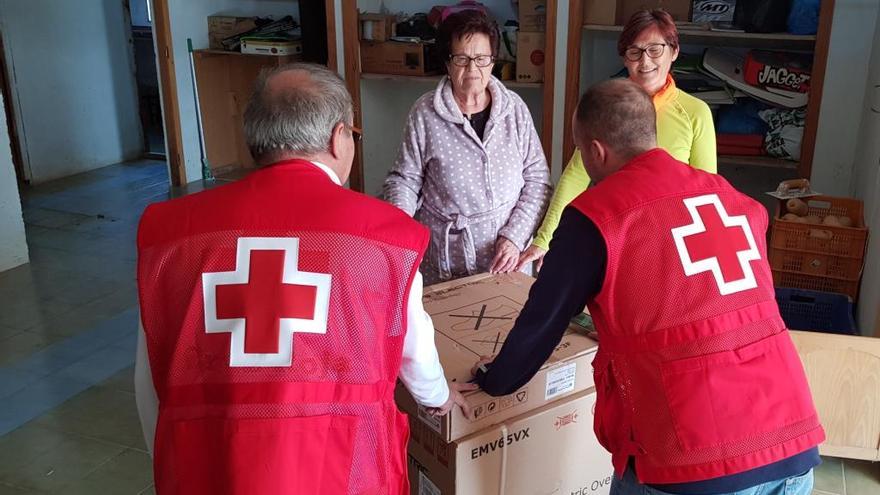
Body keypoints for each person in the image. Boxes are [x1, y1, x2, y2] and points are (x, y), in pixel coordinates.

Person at [134, 63, 474, 495]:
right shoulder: (384, 239)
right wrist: (439, 397)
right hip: (344, 465)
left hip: (212, 465)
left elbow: (151, 378)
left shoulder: (173, 234)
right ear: (338, 137)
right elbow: (415, 350)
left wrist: (171, 453)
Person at [472, 79, 824, 495]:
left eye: (581, 152)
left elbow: (542, 320)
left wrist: (494, 382)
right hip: (791, 438)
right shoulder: (733, 199)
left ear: (596, 151)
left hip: (694, 457)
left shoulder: (597, 215)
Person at [518, 9, 717, 271]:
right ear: (625, 57)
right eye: (634, 52)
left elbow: (706, 191)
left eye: (655, 49)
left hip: (670, 244)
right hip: (613, 234)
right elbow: (576, 175)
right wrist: (544, 239)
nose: (645, 62)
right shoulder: (607, 104)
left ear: (674, 51)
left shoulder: (694, 112)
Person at [383, 10, 551, 285]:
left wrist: (513, 237)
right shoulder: (425, 112)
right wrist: (399, 231)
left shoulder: (515, 109)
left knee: (508, 323)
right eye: (462, 59)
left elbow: (538, 182)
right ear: (448, 63)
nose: (473, 69)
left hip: (505, 259)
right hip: (444, 258)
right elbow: (405, 180)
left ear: (493, 61)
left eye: (481, 59)